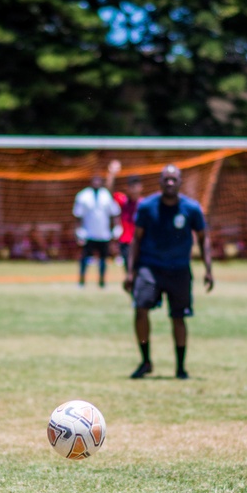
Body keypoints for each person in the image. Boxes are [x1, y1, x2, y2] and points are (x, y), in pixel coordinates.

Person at [123, 164, 214, 379]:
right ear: (160, 182)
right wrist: (130, 272)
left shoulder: (191, 208)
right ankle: (145, 361)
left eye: (174, 179)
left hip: (179, 269)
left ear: (180, 182)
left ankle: (180, 367)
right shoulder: (147, 207)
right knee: (141, 309)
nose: (170, 183)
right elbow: (136, 239)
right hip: (150, 267)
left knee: (178, 317)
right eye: (166, 179)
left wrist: (208, 269)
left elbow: (203, 239)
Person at [73, 162, 120, 287]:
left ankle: (102, 282)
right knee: (84, 259)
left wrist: (116, 227)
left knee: (103, 260)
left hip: (103, 234)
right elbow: (78, 216)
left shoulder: (106, 195)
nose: (97, 183)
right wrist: (79, 232)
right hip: (88, 233)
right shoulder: (83, 196)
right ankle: (81, 281)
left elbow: (114, 213)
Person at [113, 171, 143, 273]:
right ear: (128, 189)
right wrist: (112, 174)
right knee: (130, 272)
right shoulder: (124, 201)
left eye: (136, 187)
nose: (134, 190)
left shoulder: (144, 204)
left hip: (140, 242)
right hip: (126, 243)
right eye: (132, 187)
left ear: (140, 188)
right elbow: (109, 191)